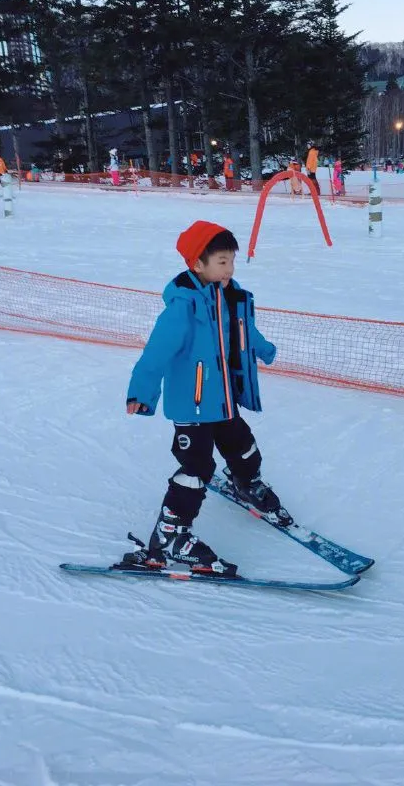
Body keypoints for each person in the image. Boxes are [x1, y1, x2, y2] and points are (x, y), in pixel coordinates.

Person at [124, 220, 288, 574]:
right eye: (221, 262)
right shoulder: (184, 308)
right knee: (197, 466)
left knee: (243, 446)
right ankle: (170, 536)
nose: (229, 270)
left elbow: (244, 331)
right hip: (193, 405)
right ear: (198, 264)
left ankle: (246, 482)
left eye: (231, 261)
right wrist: (141, 391)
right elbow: (156, 353)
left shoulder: (230, 297)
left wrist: (264, 348)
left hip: (224, 399)